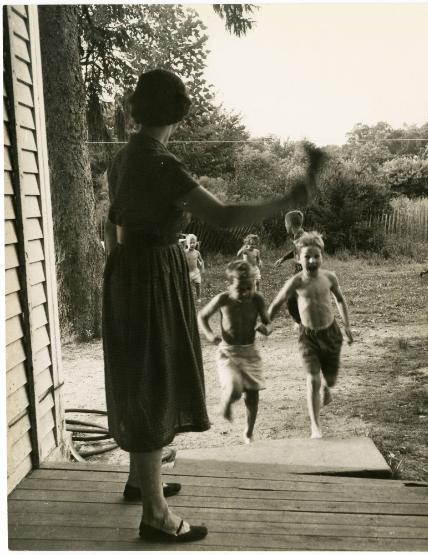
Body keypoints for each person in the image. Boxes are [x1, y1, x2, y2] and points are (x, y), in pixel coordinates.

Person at [103, 68, 324, 543]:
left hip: (127, 270)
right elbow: (223, 216)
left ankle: (141, 481)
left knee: (138, 372)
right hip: (151, 275)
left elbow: (113, 223)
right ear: (178, 113)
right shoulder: (161, 164)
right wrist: (285, 199)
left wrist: (123, 265)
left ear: (140, 109)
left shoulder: (122, 159)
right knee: (154, 375)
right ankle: (156, 514)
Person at [268, 232, 353, 439]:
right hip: (308, 337)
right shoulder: (295, 282)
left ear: (322, 256)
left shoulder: (330, 278)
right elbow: (276, 304)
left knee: (330, 380)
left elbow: (340, 300)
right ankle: (315, 427)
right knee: (312, 378)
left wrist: (347, 326)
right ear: (299, 258)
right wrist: (264, 323)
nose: (312, 260)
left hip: (331, 333)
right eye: (307, 257)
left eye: (316, 256)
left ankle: (327, 386)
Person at [198, 260, 271, 443]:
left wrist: (265, 328)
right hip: (228, 352)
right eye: (240, 288)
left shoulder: (257, 299)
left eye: (250, 287)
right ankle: (226, 403)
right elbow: (202, 316)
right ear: (229, 285)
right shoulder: (223, 299)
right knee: (235, 388)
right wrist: (209, 334)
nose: (246, 292)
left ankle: (248, 431)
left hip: (250, 352)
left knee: (252, 394)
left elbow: (267, 321)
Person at [274, 210, 306, 323]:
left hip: (303, 271)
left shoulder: (301, 238)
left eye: (285, 223)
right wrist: (283, 259)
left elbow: (305, 254)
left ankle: (302, 323)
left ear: (290, 225)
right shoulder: (298, 235)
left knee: (291, 298)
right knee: (295, 298)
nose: (285, 225)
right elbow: (295, 251)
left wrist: (303, 270)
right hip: (300, 271)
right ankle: (304, 323)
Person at [184, 233, 204, 302]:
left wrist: (202, 267)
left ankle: (198, 297)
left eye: (194, 242)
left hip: (196, 271)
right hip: (188, 272)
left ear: (196, 243)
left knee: (198, 285)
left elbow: (201, 260)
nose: (192, 244)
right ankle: (188, 298)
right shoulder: (185, 252)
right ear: (187, 243)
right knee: (187, 286)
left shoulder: (197, 252)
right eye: (190, 243)